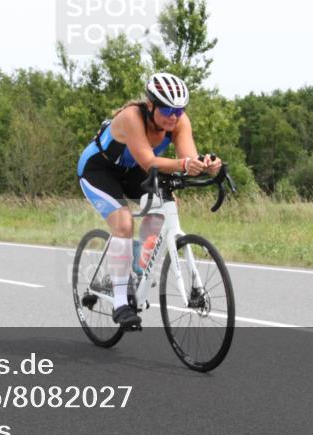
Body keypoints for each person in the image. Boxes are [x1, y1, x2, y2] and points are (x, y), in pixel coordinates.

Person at [76, 73, 221, 327]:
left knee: (165, 207)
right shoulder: (133, 117)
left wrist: (206, 165)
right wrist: (185, 164)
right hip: (98, 170)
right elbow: (149, 161)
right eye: (166, 109)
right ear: (151, 105)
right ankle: (121, 302)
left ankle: (137, 265)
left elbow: (188, 159)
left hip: (134, 172)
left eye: (179, 110)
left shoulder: (178, 121)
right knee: (123, 224)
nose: (173, 116)